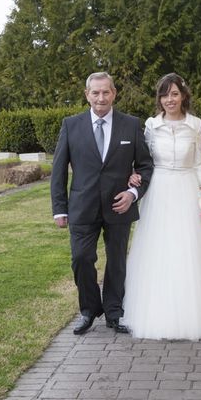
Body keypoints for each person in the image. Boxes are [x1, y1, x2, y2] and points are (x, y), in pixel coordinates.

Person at [122, 73, 201, 340]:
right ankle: (158, 307)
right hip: (160, 190)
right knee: (160, 245)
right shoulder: (152, 125)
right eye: (164, 95)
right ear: (160, 99)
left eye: (174, 94)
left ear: (183, 96)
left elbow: (199, 161)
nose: (169, 100)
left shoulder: (195, 125)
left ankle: (194, 306)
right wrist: (134, 174)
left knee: (189, 245)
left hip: (187, 189)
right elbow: (144, 160)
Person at [51, 72, 154, 335]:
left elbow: (145, 165)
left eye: (105, 92)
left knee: (117, 261)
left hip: (119, 206)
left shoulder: (131, 125)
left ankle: (114, 312)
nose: (101, 97)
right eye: (95, 92)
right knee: (81, 259)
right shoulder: (71, 125)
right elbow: (59, 170)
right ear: (87, 95)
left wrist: (133, 193)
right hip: (82, 207)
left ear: (114, 93)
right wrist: (59, 209)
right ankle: (88, 309)